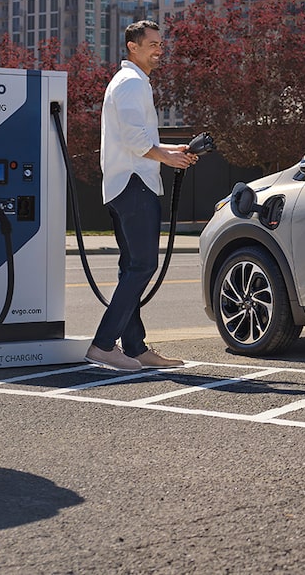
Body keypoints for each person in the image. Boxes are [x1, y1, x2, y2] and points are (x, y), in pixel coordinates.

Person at [85, 20, 199, 372]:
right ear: (133, 47)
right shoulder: (133, 84)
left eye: (161, 44)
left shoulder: (128, 82)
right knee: (143, 265)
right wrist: (168, 157)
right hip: (135, 186)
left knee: (130, 267)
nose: (159, 49)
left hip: (123, 185)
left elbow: (133, 138)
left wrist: (168, 148)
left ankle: (134, 347)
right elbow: (136, 141)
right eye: (153, 44)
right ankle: (104, 344)